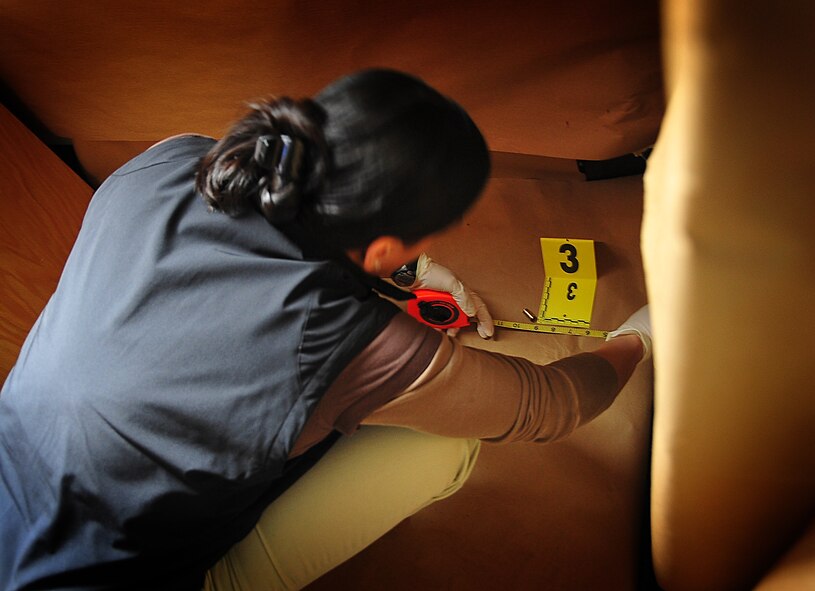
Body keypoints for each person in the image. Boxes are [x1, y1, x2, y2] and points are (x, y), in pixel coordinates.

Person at [0, 68, 651, 591]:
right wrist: (639, 338)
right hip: (125, 575)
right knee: (442, 445)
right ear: (380, 247)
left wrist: (412, 271)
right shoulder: (345, 338)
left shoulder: (168, 160)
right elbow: (545, 407)